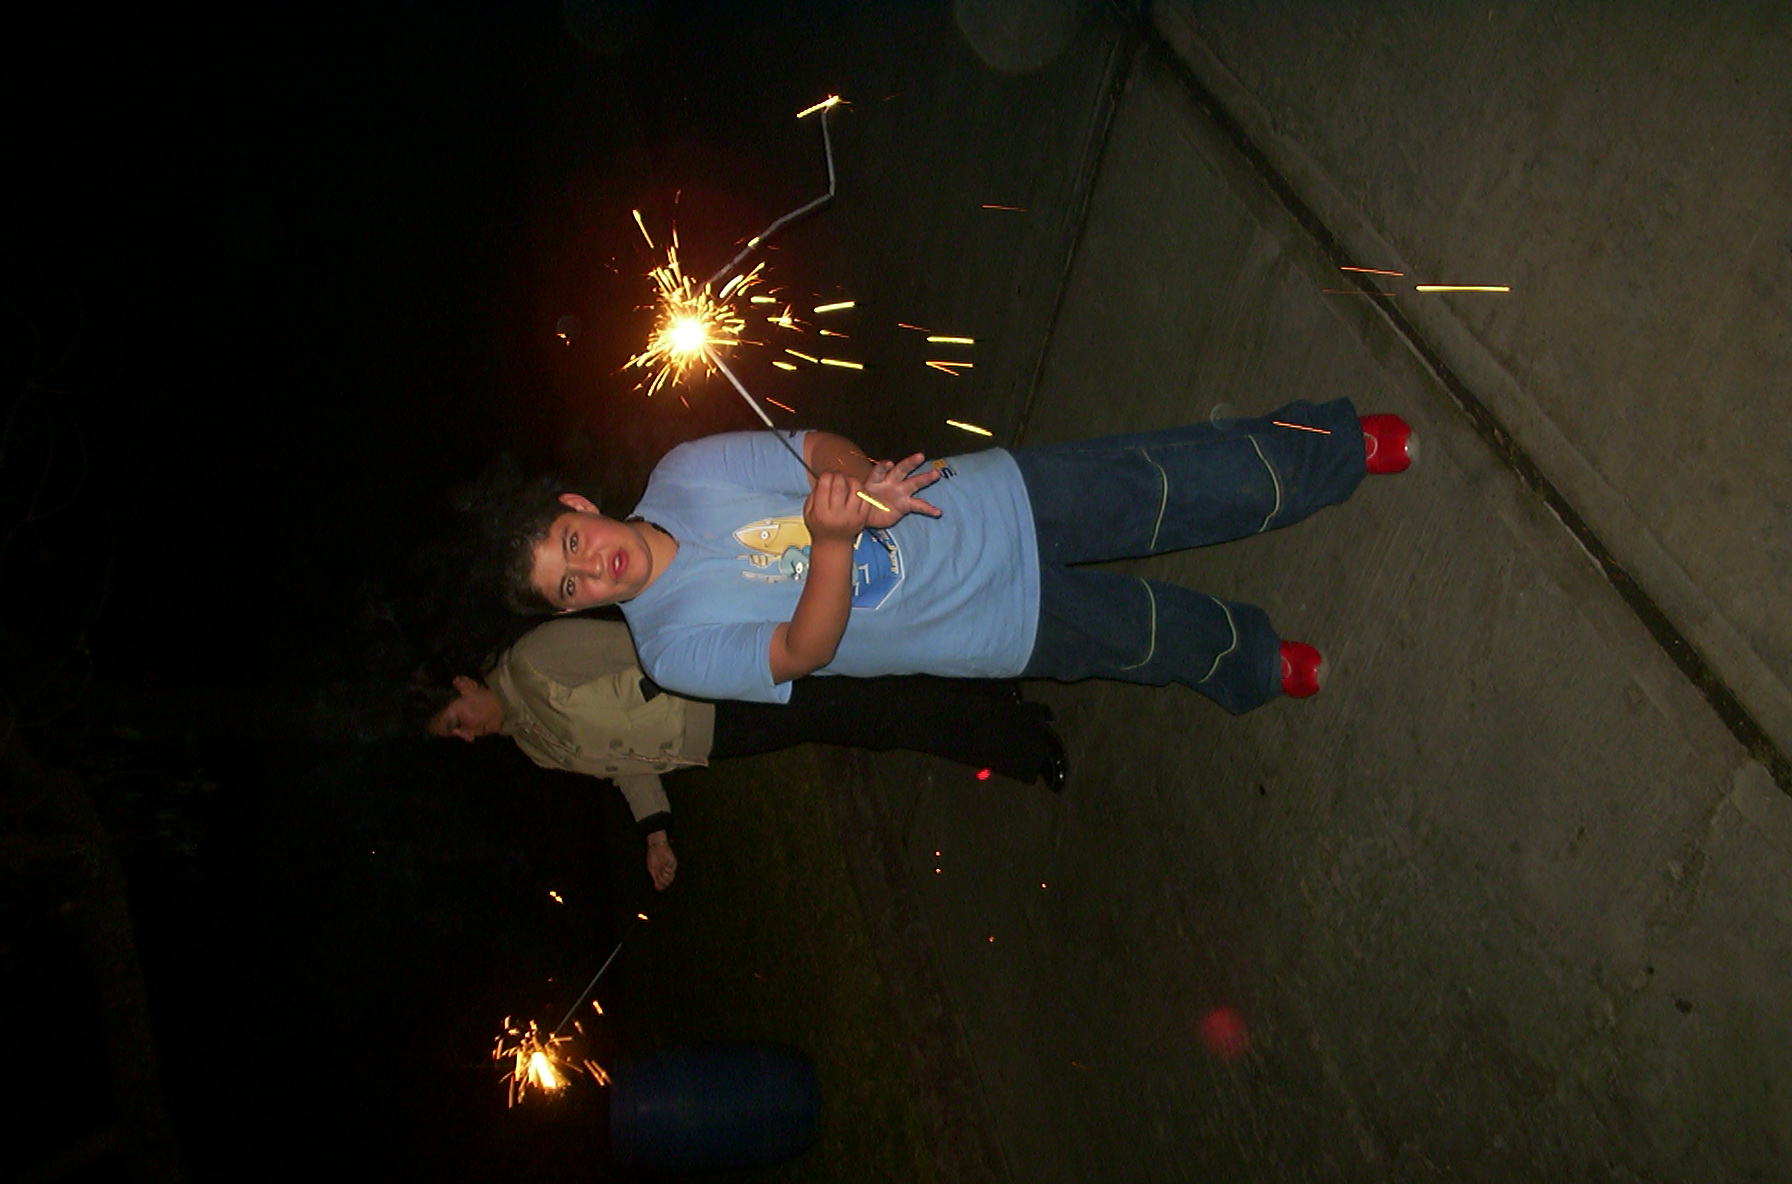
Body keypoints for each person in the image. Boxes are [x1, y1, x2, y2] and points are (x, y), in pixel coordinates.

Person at [479, 399, 1413, 713]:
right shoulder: (668, 651)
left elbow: (808, 447)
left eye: (573, 544)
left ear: (579, 507)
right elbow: (801, 650)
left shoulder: (684, 471)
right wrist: (835, 541)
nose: (591, 569)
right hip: (986, 630)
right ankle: (1251, 660)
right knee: (1145, 639)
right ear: (571, 610)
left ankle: (1327, 452)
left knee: (1169, 480)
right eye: (570, 587)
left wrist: (863, 480)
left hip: (992, 501)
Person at [424, 616, 1067, 890]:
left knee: (867, 708)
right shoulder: (532, 744)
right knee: (863, 705)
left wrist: (729, 659)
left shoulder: (537, 660)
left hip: (720, 686)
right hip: (719, 737)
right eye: (454, 737)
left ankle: (1021, 738)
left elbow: (645, 641)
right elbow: (623, 766)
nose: (465, 735)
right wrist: (655, 833)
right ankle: (992, 693)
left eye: (455, 720)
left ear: (464, 685)